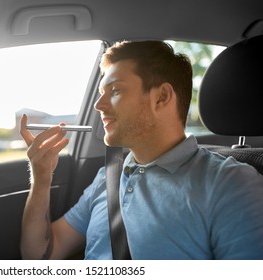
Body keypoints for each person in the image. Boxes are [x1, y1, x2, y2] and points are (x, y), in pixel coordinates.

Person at [20, 41, 263, 260]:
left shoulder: (231, 184)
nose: (98, 105)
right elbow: (42, 255)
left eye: (114, 90)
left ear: (161, 97)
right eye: (101, 93)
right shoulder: (107, 177)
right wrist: (41, 179)